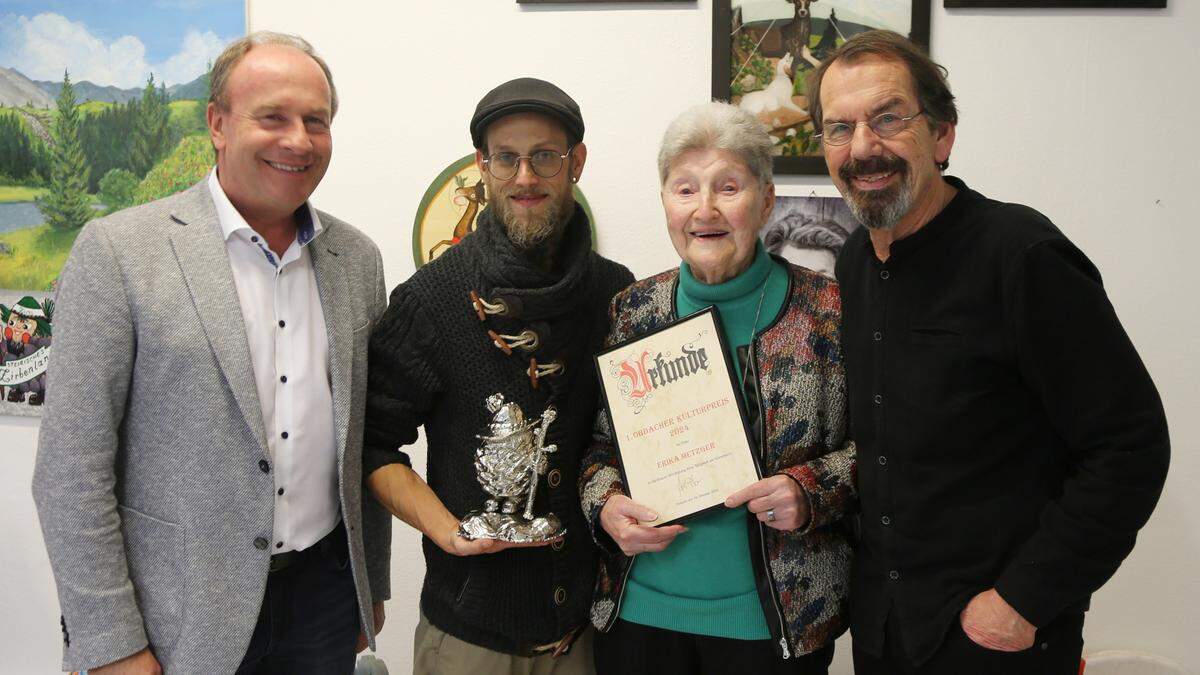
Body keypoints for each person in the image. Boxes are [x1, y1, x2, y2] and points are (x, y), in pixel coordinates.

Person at [806, 30, 1171, 674]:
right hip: (885, 632)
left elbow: (1130, 446)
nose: (863, 147)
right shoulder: (855, 262)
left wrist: (1020, 603)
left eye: (888, 118)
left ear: (942, 135)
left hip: (996, 639)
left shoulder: (1022, 255)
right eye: (840, 128)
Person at [31, 31, 390, 675]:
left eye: (317, 121)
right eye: (272, 117)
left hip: (324, 601)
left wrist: (370, 589)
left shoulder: (356, 259)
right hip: (174, 613)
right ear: (217, 124)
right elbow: (69, 472)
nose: (299, 140)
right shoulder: (119, 251)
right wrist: (112, 642)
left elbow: (363, 438)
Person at [363, 78, 634, 675]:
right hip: (469, 642)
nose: (525, 177)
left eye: (545, 156)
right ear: (482, 167)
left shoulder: (617, 291)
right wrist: (449, 532)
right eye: (506, 157)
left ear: (577, 163)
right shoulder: (429, 300)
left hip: (590, 633)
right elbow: (374, 447)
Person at [579, 101, 856, 675]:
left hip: (775, 624)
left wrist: (808, 490)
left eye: (728, 187)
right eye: (684, 190)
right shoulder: (633, 311)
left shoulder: (829, 312)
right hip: (639, 617)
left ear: (767, 200)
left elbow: (881, 452)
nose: (704, 209)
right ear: (664, 203)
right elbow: (600, 446)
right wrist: (604, 506)